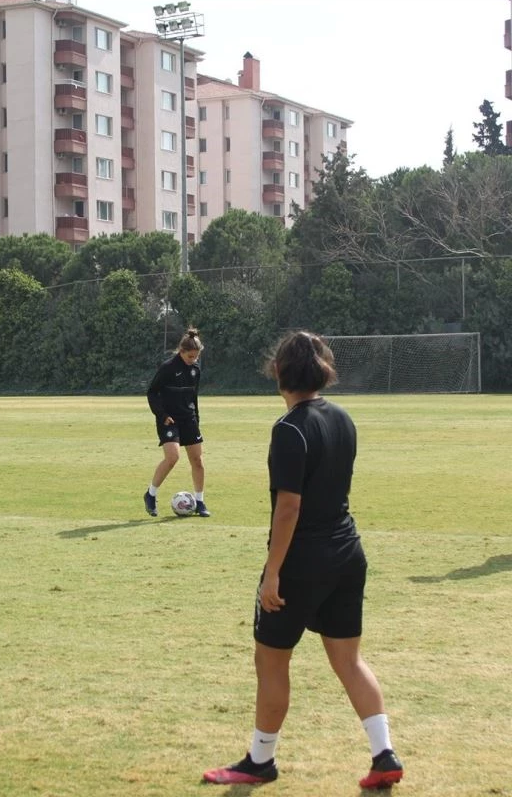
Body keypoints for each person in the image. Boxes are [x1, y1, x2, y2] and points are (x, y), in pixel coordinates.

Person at [202, 331, 403, 790]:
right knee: (350, 661)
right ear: (323, 372)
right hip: (348, 552)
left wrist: (272, 572)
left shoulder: (288, 428)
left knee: (271, 662)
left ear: (278, 372)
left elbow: (288, 507)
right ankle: (384, 752)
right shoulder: (344, 419)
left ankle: (260, 761)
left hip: (303, 560)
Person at [143, 327, 210, 518]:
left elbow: (193, 396)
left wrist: (196, 418)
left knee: (197, 460)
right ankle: (150, 494)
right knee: (173, 457)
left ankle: (199, 501)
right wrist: (162, 415)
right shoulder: (168, 368)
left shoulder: (196, 369)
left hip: (188, 418)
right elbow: (152, 393)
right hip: (168, 419)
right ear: (181, 351)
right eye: (190, 356)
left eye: (196, 356)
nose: (193, 360)